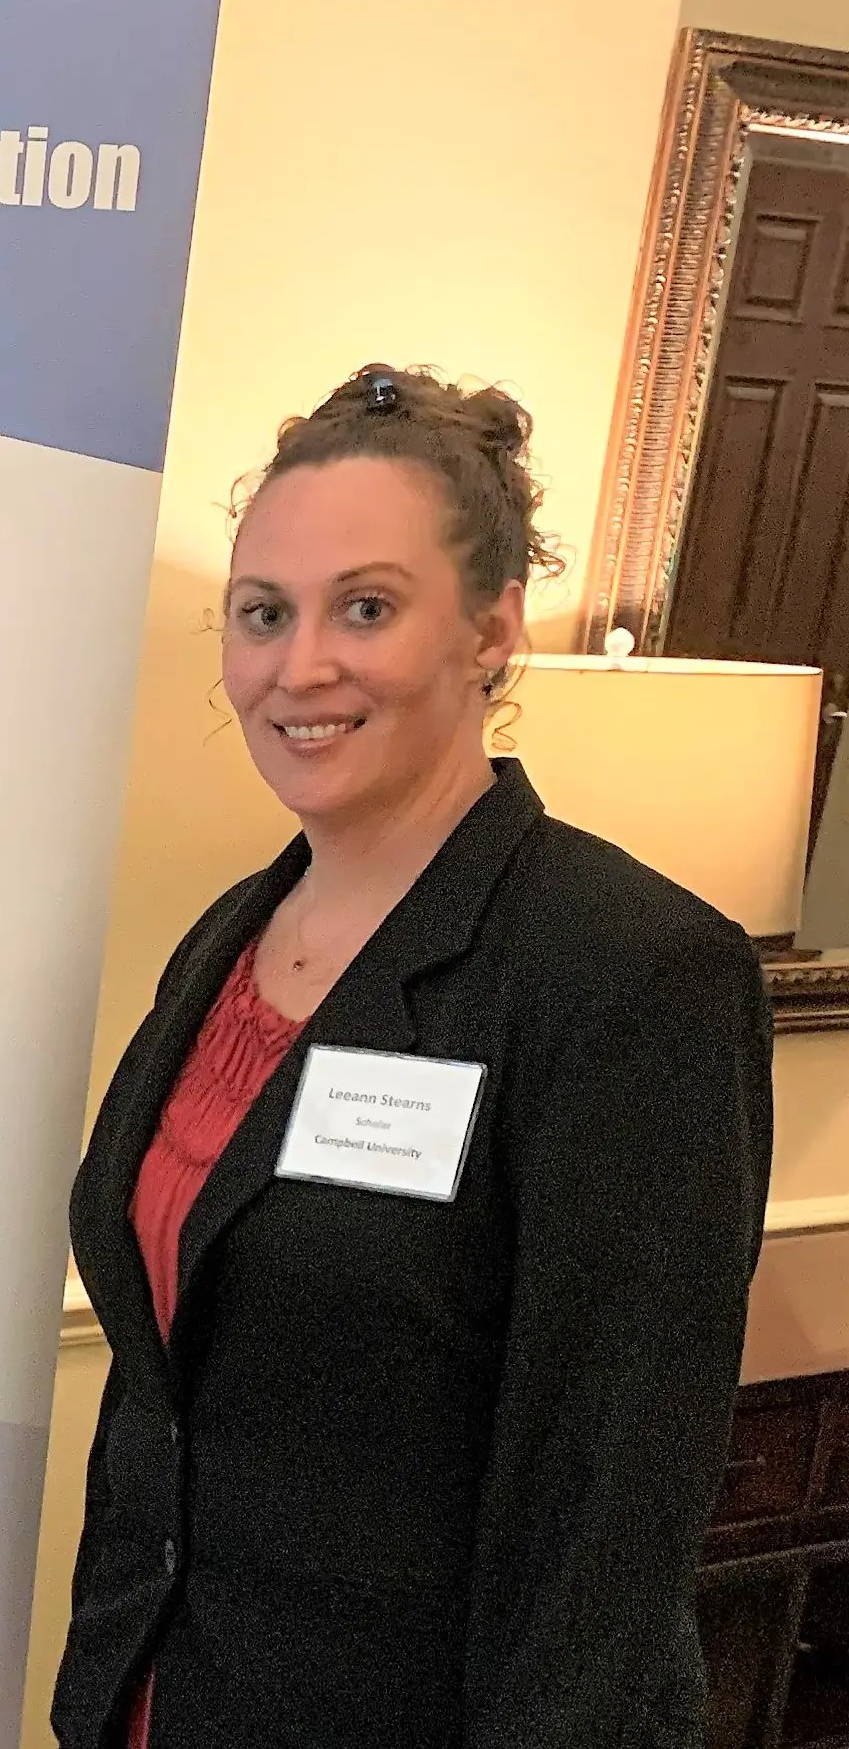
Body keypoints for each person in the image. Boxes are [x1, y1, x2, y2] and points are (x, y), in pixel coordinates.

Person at [55, 367, 773, 1747]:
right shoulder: (232, 934)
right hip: (157, 1701)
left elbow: (605, 1521)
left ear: (493, 629)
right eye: (264, 614)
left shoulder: (627, 974)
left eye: (365, 608)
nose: (300, 665)